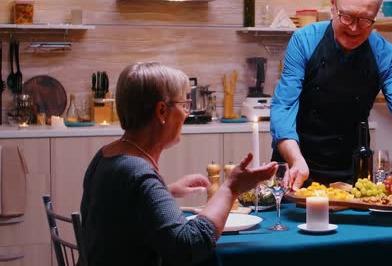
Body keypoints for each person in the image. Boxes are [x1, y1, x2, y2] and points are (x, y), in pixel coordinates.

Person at [80, 62, 277, 266]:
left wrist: (166, 190)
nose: (186, 113)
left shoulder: (107, 155)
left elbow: (125, 205)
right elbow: (188, 246)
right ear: (162, 111)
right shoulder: (137, 172)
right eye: (184, 105)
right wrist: (231, 188)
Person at [270, 0, 392, 205]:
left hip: (352, 173)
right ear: (333, 6)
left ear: (377, 14)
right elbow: (283, 107)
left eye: (365, 19)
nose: (354, 28)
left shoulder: (386, 55)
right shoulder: (304, 40)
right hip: (297, 165)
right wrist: (295, 160)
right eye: (347, 17)